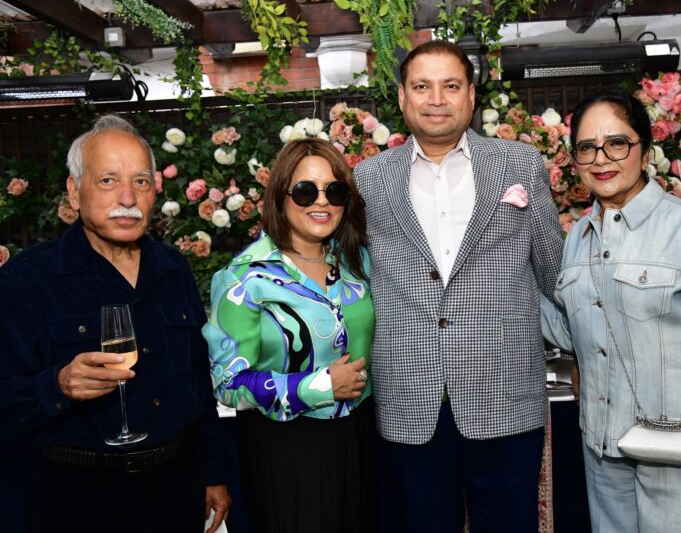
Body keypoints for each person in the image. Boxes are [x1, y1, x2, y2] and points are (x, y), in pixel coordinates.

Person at [353, 40, 564, 531]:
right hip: (409, 400)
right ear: (402, 97)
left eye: (450, 85)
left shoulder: (519, 165)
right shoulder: (368, 179)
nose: (436, 99)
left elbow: (555, 272)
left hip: (506, 396)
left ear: (471, 95)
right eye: (421, 86)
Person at [540, 91, 681, 531]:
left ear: (645, 151)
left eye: (617, 143)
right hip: (605, 456)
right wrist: (506, 282)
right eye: (587, 147)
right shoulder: (578, 238)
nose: (601, 159)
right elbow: (574, 333)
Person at [0, 115, 231, 532]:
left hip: (176, 491)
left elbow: (200, 379)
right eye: (108, 180)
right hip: (78, 502)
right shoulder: (28, 280)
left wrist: (212, 471)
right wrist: (58, 385)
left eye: (140, 181)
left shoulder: (173, 268)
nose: (127, 197)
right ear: (74, 192)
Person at [204, 138, 375, 533]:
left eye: (334, 191)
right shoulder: (244, 278)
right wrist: (318, 387)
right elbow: (227, 385)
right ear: (280, 196)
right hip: (287, 446)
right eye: (305, 191)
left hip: (359, 437)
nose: (322, 202)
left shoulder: (356, 261)